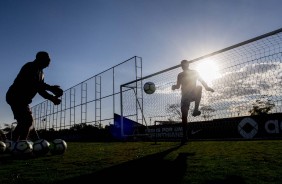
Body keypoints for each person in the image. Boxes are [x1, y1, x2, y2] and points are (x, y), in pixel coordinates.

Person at [6, 51, 63, 141]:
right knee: (27, 121)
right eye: (47, 59)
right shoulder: (29, 66)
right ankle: (21, 144)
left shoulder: (42, 73)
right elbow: (34, 83)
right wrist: (51, 88)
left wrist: (52, 98)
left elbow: (40, 90)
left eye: (49, 59)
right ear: (39, 59)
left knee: (25, 122)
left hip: (24, 100)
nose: (49, 61)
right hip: (15, 96)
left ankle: (10, 141)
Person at [172, 60, 215, 144]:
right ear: (181, 66)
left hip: (193, 94)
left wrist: (206, 87)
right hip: (185, 97)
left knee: (199, 87)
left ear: (188, 65)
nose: (183, 66)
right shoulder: (180, 75)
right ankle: (185, 136)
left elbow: (201, 80)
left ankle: (195, 109)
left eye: (185, 64)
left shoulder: (194, 72)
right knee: (184, 115)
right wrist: (174, 87)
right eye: (182, 65)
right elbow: (177, 86)